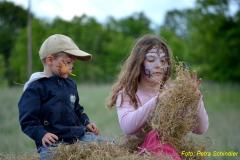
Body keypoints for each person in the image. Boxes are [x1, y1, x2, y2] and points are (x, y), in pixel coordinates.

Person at [107, 35, 209, 159]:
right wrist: (158, 100)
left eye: (163, 60)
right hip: (140, 153)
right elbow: (127, 127)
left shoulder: (173, 91)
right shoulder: (127, 93)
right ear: (139, 63)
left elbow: (200, 129)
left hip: (173, 152)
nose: (158, 65)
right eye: (151, 59)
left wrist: (196, 99)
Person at [18, 34, 103, 160]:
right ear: (50, 60)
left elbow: (77, 109)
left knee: (105, 146)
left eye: (72, 64)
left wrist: (86, 122)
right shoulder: (36, 88)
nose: (71, 67)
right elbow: (28, 120)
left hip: (77, 137)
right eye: (68, 62)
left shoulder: (70, 84)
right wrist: (42, 134)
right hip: (53, 144)